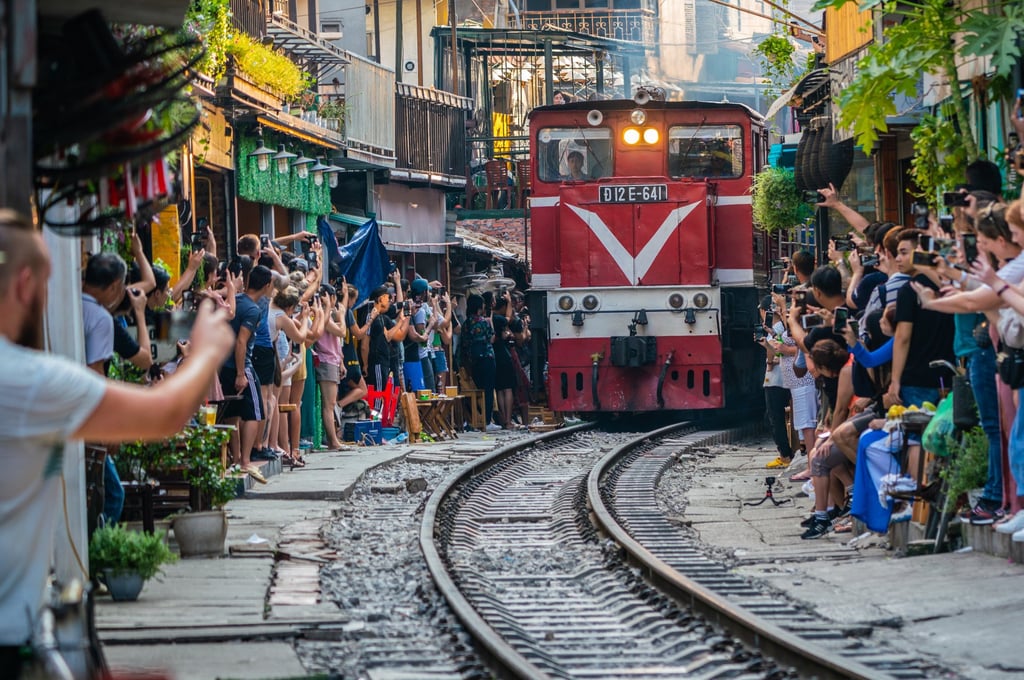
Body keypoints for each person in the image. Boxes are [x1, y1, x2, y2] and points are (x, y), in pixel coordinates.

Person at [0, 209, 233, 665]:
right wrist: (205, 353)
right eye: (48, 285)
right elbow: (163, 413)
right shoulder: (27, 380)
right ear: (26, 284)